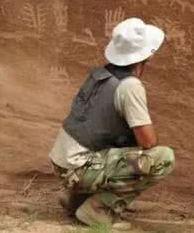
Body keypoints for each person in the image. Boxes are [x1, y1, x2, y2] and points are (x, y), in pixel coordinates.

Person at [48, 17, 175, 229]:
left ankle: (76, 200)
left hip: (63, 163)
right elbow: (148, 142)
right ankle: (97, 210)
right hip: (79, 169)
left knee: (123, 145)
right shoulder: (129, 86)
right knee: (161, 158)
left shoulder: (101, 74)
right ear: (145, 56)